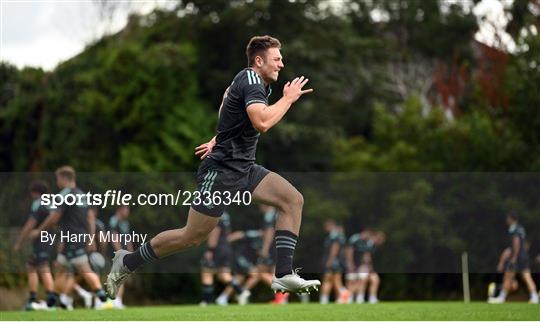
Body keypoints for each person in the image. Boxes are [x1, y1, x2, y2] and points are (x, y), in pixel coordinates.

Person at [106, 35, 320, 298]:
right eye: (277, 59)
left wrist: (217, 138)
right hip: (220, 172)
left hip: (245, 169)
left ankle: (283, 274)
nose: (281, 64)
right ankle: (127, 262)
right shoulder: (252, 80)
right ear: (259, 60)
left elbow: (228, 105)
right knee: (191, 237)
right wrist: (288, 99)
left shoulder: (255, 84)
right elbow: (261, 123)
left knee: (292, 200)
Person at [31, 166, 110, 308]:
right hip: (77, 238)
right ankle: (52, 301)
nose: (57, 182)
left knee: (83, 269)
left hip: (72, 239)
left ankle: (103, 298)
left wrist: (39, 229)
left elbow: (55, 216)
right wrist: (91, 238)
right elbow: (90, 218)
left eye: (58, 179)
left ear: (63, 178)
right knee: (61, 267)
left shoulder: (64, 194)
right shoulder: (82, 195)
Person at [13, 180, 57, 310]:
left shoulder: (38, 203)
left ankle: (35, 301)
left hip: (41, 240)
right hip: (50, 238)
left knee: (36, 267)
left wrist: (20, 241)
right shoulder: (51, 203)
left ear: (35, 192)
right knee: (41, 266)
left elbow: (30, 223)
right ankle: (49, 300)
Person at [488, 212, 538, 304]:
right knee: (527, 277)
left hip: (517, 257)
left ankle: (501, 298)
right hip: (523, 256)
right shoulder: (521, 228)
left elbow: (516, 242)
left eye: (507, 218)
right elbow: (525, 244)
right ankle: (534, 297)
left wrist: (514, 257)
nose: (506, 220)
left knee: (508, 276)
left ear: (511, 219)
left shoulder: (514, 229)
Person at [199, 212, 247, 306]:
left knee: (207, 272)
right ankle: (241, 292)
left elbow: (215, 233)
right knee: (224, 276)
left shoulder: (215, 213)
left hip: (217, 248)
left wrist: (210, 250)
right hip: (226, 247)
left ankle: (206, 301)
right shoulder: (225, 215)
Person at [107, 205, 134, 309]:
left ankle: (117, 300)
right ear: (120, 209)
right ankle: (112, 300)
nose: (127, 212)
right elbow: (114, 237)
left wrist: (132, 254)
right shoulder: (114, 220)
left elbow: (128, 239)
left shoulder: (125, 223)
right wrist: (119, 253)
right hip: (115, 254)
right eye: (126, 209)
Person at [319, 219, 349, 304]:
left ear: (330, 225)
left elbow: (334, 249)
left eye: (326, 226)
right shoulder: (338, 235)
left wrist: (330, 260)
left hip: (334, 262)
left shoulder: (334, 236)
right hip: (337, 261)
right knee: (335, 280)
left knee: (327, 279)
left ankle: (325, 299)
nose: (325, 228)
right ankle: (342, 296)